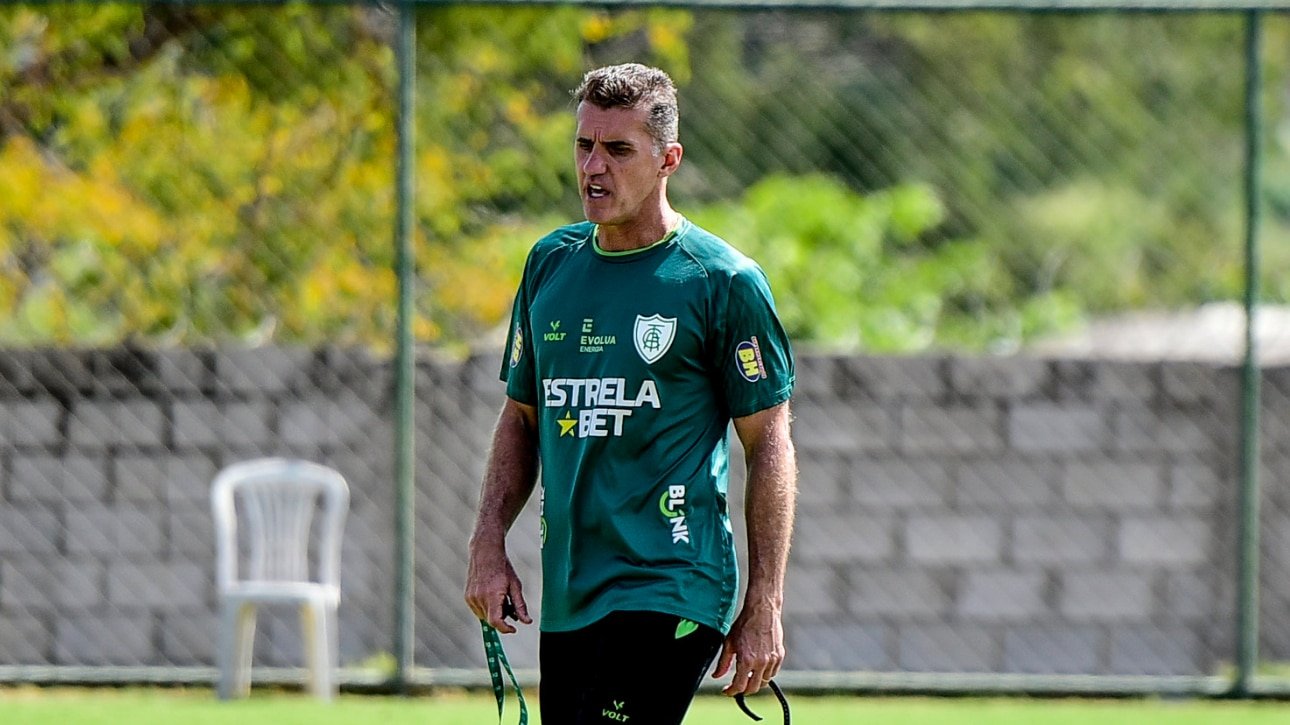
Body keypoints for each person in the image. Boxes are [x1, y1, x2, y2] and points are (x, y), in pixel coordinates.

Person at [464, 62, 797, 725]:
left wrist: (765, 601)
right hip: (570, 591)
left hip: (673, 581)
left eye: (618, 149)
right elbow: (522, 418)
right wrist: (487, 542)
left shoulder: (722, 281)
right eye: (584, 145)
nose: (594, 166)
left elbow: (769, 442)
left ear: (668, 159)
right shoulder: (549, 264)